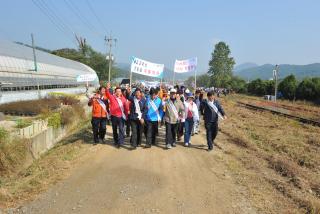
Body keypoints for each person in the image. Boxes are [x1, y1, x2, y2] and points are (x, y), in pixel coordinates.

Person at [106, 83, 129, 148]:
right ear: (115, 92)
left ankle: (120, 142)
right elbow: (107, 94)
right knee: (114, 129)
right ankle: (116, 141)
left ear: (121, 92)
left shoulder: (123, 99)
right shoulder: (112, 97)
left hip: (121, 116)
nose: (118, 92)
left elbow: (126, 108)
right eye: (117, 91)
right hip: (114, 116)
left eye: (119, 91)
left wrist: (126, 115)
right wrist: (107, 88)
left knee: (121, 129)